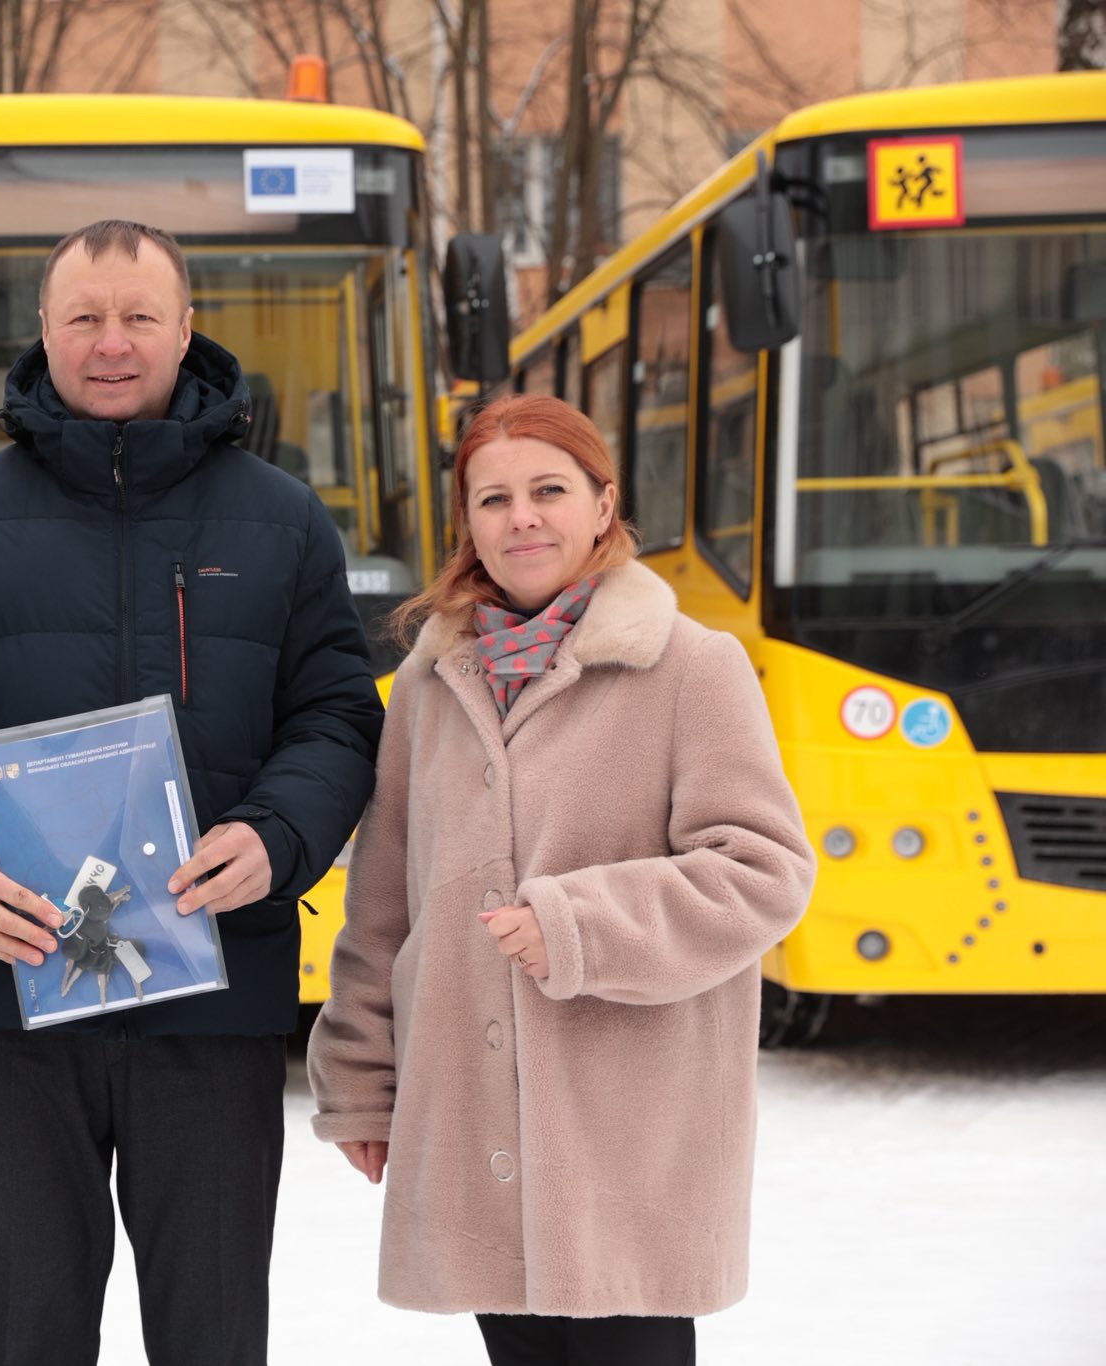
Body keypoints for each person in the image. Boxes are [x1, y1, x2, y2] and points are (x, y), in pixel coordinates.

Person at [0, 220, 383, 1365]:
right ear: (43, 331)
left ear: (186, 329)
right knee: (28, 1330)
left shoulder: (279, 520)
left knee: (213, 1329)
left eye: (139, 316)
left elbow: (336, 715)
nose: (111, 343)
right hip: (10, 993)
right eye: (83, 317)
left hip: (213, 987)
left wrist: (275, 834)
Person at [307, 393, 817, 1366]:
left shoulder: (689, 666)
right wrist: (362, 1082)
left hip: (631, 1129)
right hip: (471, 1118)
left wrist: (577, 923)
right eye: (491, 499)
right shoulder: (426, 682)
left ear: (601, 503)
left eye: (547, 489)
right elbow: (383, 902)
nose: (520, 517)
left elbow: (763, 870)